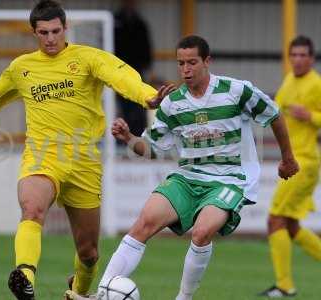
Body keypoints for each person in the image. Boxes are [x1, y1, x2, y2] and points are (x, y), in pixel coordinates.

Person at [0, 1, 175, 299]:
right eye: (43, 33)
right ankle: (25, 276)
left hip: (84, 160)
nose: (51, 38)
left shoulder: (88, 58)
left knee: (89, 253)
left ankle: (78, 293)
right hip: (43, 155)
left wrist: (147, 96)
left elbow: (122, 77)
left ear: (65, 28)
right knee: (31, 208)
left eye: (56, 31)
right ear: (34, 32)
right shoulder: (22, 68)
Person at [64, 35, 299, 300]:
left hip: (229, 180)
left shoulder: (235, 91)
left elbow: (274, 115)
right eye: (181, 63)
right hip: (187, 178)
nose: (185, 69)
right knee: (144, 222)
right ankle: (103, 291)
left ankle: (183, 298)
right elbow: (152, 149)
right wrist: (130, 138)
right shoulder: (172, 103)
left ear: (207, 61)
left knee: (201, 232)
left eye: (192, 62)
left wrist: (287, 157)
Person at [259, 36, 321, 298]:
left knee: (274, 220)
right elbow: (276, 109)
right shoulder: (288, 80)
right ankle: (284, 284)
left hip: (304, 162)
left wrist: (312, 116)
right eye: (293, 55)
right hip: (293, 162)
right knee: (291, 226)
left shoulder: (316, 84)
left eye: (302, 55)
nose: (297, 59)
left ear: (312, 58)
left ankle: (284, 285)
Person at [114, 0, 153, 137]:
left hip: (137, 70)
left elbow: (146, 47)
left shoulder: (140, 23)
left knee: (138, 103)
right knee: (121, 104)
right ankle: (120, 137)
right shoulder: (114, 22)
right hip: (117, 70)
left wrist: (147, 64)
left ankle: (139, 136)